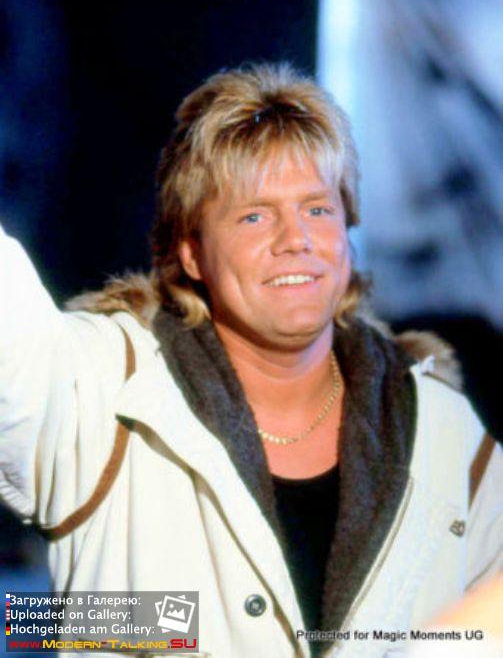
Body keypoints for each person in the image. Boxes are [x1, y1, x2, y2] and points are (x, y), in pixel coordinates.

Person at [0, 63, 501, 658]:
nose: (296, 239)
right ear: (191, 251)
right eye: (254, 215)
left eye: (317, 209)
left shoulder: (443, 430)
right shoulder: (99, 388)